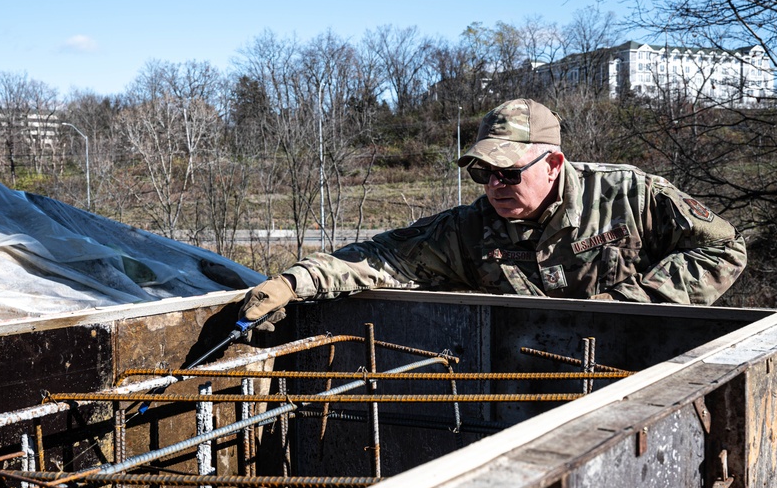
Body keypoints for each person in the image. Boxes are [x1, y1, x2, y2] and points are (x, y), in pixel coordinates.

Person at [241, 98, 747, 327]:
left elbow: (724, 248)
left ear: (552, 163)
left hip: (636, 364)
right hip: (536, 376)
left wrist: (633, 305)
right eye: (484, 172)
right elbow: (381, 257)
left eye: (508, 172)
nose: (495, 185)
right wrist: (293, 282)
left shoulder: (628, 195)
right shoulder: (469, 229)